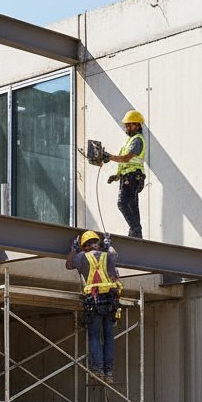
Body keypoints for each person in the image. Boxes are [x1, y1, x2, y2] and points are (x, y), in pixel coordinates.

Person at [66, 230, 122, 381]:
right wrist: (109, 243)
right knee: (109, 336)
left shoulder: (81, 257)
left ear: (84, 246)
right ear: (98, 244)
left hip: (94, 301)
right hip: (111, 301)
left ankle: (97, 369)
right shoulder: (107, 256)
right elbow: (114, 255)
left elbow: (69, 264)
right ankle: (108, 371)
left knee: (94, 336)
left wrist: (74, 247)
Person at [106, 110, 146, 238]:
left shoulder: (137, 140)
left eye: (130, 125)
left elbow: (126, 158)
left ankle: (135, 229)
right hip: (128, 176)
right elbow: (124, 162)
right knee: (131, 203)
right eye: (126, 125)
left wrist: (109, 156)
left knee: (124, 203)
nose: (127, 127)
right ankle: (136, 231)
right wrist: (117, 176)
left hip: (133, 176)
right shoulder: (129, 141)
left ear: (138, 125)